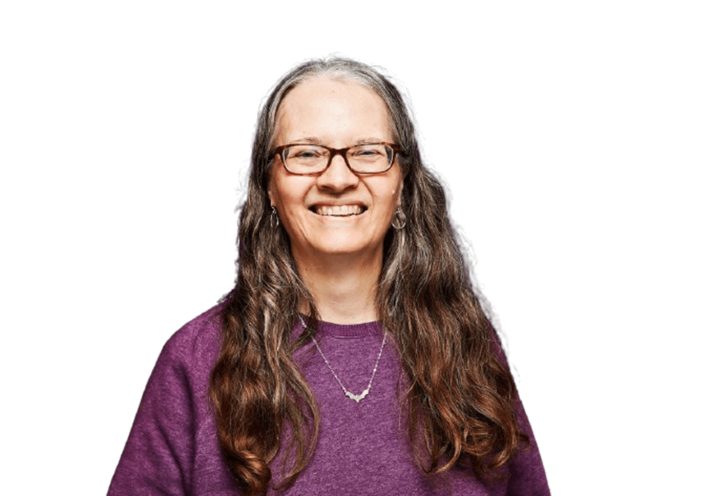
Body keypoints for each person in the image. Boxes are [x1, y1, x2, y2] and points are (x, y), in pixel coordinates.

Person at [106, 53, 551, 496]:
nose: (337, 177)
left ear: (403, 186)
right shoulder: (196, 358)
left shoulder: (469, 347)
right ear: (269, 187)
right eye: (306, 153)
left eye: (368, 152)